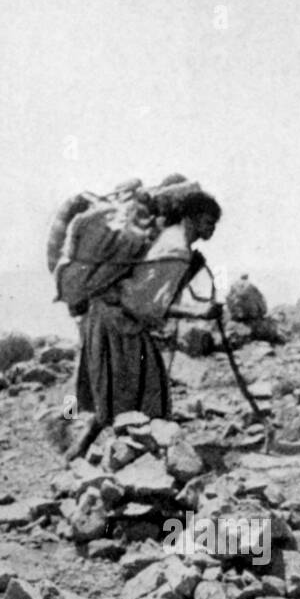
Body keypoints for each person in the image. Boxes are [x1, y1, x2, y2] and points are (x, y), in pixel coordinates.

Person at [64, 189, 223, 464]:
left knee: (121, 395)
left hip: (108, 316)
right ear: (192, 219)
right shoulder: (177, 249)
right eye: (209, 222)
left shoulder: (169, 238)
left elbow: (145, 286)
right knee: (147, 397)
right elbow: (143, 303)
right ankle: (132, 465)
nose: (212, 229)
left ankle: (82, 453)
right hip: (119, 323)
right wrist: (199, 312)